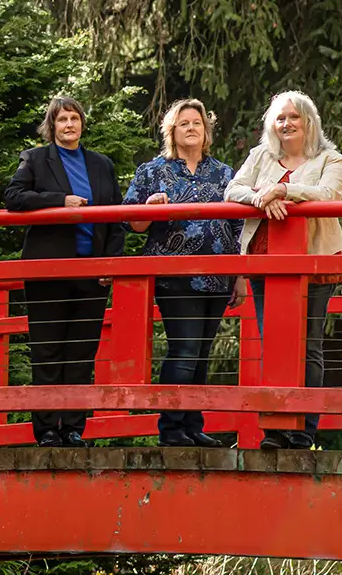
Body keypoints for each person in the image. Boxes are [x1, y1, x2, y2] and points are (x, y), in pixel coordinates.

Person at [225, 90, 342, 450]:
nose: (287, 123)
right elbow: (233, 189)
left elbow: (328, 195)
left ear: (309, 122)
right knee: (273, 343)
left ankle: (302, 431)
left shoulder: (330, 158)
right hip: (266, 260)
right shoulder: (261, 155)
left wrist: (284, 190)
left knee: (308, 346)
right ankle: (276, 428)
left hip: (315, 259)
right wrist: (263, 198)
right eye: (280, 118)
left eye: (294, 117)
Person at [3, 97, 124, 448]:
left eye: (74, 118)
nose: (69, 124)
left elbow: (116, 216)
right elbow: (13, 197)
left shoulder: (100, 164)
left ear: (82, 124)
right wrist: (59, 200)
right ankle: (46, 430)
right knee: (47, 351)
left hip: (92, 271)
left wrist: (110, 263)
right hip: (49, 270)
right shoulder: (36, 158)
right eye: (62, 120)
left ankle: (73, 428)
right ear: (52, 126)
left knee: (82, 354)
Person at [122, 99, 243, 447]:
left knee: (202, 352)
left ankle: (192, 425)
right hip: (174, 273)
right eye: (183, 123)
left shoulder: (224, 173)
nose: (191, 127)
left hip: (219, 273)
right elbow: (133, 223)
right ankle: (171, 428)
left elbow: (238, 227)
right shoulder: (153, 170)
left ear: (206, 132)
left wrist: (240, 275)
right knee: (185, 349)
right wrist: (149, 209)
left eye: (197, 123)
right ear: (171, 131)